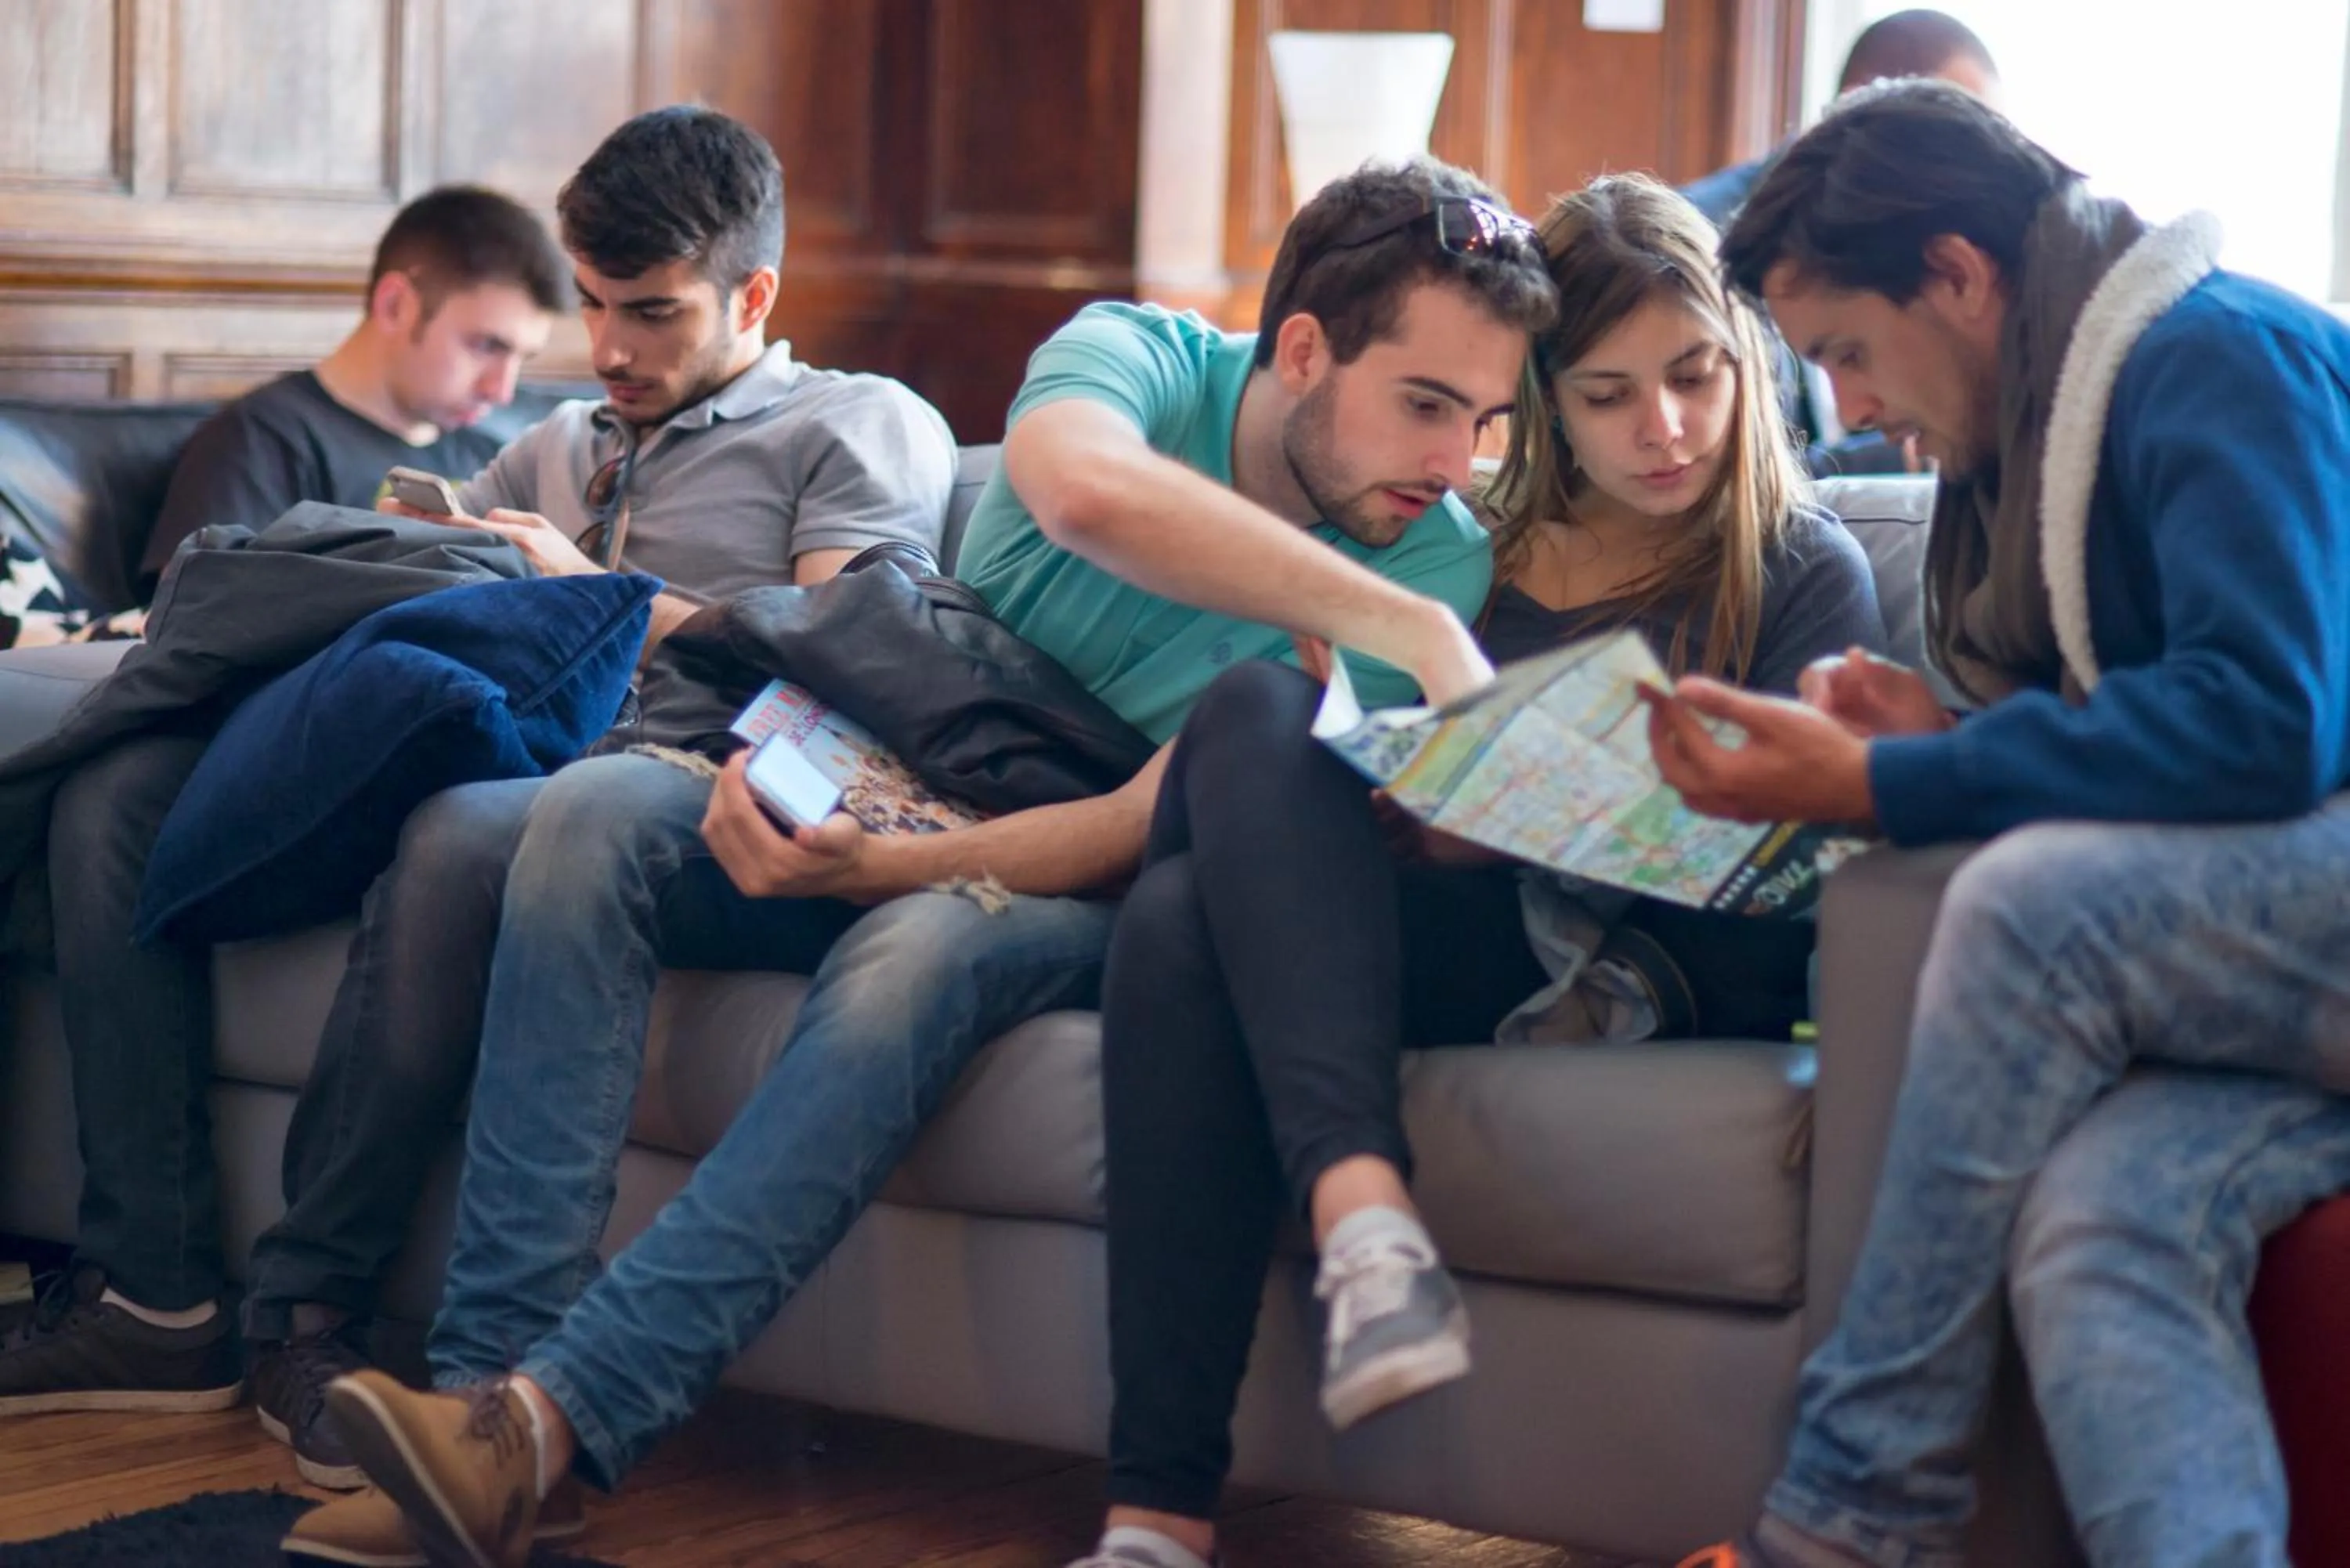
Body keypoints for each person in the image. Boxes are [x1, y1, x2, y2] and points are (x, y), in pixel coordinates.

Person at [300, 157, 1560, 1568]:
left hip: (1088, 881)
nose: (1459, 464)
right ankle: (481, 1391)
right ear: (1307, 350)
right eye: (1429, 405)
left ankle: (538, 1434)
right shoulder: (1139, 357)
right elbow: (1083, 493)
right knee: (593, 812)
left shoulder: (1436, 559)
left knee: (925, 944)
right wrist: (1395, 625)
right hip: (886, 763)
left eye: (1488, 420)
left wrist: (881, 871)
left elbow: (1142, 820)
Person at [0, 103, 956, 1518]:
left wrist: (599, 594)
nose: (610, 347)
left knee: (461, 833)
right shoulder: (562, 438)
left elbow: (844, 672)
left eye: (653, 311)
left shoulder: (856, 424)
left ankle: (308, 1311)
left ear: (753, 296)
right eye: (592, 303)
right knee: (115, 791)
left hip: (669, 797)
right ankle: (153, 1295)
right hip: (468, 743)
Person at [1064, 173, 1884, 1568]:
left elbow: (1789, 879)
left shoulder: (1800, 567)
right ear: (1545, 403)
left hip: (1625, 962)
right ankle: (1355, 1243)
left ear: (1745, 362)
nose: (1665, 427)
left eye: (1695, 377)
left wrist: (1532, 824)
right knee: (1250, 720)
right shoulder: (1463, 555)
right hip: (1429, 920)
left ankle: (1160, 1515)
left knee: (1180, 921)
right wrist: (1420, 804)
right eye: (1609, 394)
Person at [1639, 81, 2350, 1568]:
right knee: (2101, 1218)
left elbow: (2270, 720)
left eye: (1847, 350)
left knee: (2028, 914)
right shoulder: (2054, 428)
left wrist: (1890, 786)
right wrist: (1950, 744)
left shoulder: (2218, 356)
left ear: (1960, 274)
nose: (1848, 408)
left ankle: (1851, 1513)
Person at [145, 185, 567, 581]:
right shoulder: (260, 443)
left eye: (522, 358)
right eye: (486, 346)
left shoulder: (495, 458)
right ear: (396, 305)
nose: (502, 390)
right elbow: (194, 608)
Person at [1683, 9, 1999, 477]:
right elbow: (1709, 481)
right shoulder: (1700, 244)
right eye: (1951, 140)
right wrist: (1896, 458)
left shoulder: (1938, 257)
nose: (1970, 179)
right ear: (1860, 108)